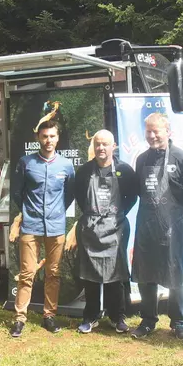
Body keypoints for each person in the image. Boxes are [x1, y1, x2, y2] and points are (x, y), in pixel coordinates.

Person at [131, 112, 183, 341]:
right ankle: (148, 320)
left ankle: (178, 323)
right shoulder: (141, 160)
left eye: (156, 131)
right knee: (146, 273)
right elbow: (138, 191)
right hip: (147, 224)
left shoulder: (181, 158)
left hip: (174, 225)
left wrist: (180, 216)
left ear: (167, 132)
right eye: (148, 131)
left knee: (175, 272)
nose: (152, 136)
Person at [10, 120, 75, 337]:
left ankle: (49, 315)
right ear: (38, 137)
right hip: (31, 226)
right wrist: (29, 212)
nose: (48, 140)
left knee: (53, 273)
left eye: (52, 136)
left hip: (56, 227)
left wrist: (56, 212)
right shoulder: (26, 162)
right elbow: (17, 192)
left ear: (58, 138)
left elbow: (69, 195)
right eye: (44, 136)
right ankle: (20, 318)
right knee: (27, 273)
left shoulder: (66, 166)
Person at [73, 130, 137, 334]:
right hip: (90, 228)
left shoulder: (125, 171)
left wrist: (115, 214)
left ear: (113, 146)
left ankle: (117, 317)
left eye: (105, 144)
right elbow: (80, 198)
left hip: (116, 227)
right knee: (91, 275)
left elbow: (131, 197)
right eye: (98, 144)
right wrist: (94, 215)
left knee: (116, 274)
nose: (101, 148)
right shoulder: (84, 171)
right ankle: (90, 317)